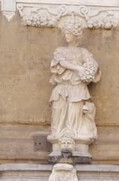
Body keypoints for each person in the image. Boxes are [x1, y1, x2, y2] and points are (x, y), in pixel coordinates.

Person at [48, 15, 101, 149]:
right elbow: (61, 62)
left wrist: (89, 69)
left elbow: (92, 64)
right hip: (61, 88)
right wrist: (78, 67)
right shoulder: (60, 51)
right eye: (65, 32)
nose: (66, 35)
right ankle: (57, 139)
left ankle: (74, 140)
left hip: (77, 89)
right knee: (58, 116)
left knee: (74, 117)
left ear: (75, 35)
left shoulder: (83, 52)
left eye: (69, 33)